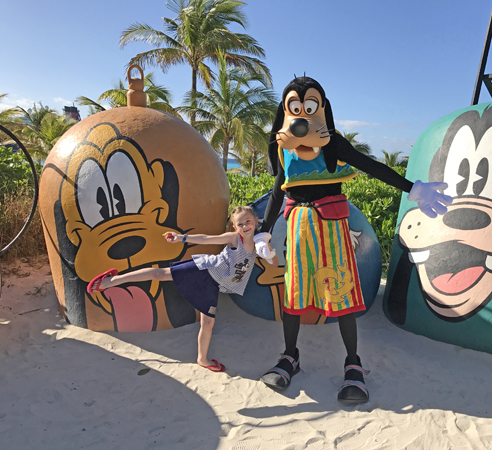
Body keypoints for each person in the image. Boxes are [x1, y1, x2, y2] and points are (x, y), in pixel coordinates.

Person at [260, 76, 452, 404]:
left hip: (331, 228)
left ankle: (353, 365)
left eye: (310, 106)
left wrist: (414, 189)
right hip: (297, 228)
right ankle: (290, 356)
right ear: (286, 109)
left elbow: (370, 165)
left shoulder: (332, 142)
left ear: (321, 107)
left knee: (341, 295)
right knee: (293, 294)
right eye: (295, 106)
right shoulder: (281, 146)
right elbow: (280, 187)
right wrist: (264, 229)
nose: (303, 113)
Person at [87, 206, 278, 372]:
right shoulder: (234, 238)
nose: (245, 227)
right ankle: (110, 281)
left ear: (256, 221)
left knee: (208, 324)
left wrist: (270, 251)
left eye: (248, 222)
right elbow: (207, 238)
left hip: (213, 286)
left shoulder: (258, 245)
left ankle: (202, 359)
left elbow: (275, 264)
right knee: (160, 274)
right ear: (235, 227)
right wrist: (182, 238)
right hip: (204, 269)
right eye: (240, 224)